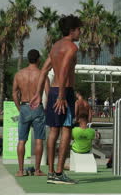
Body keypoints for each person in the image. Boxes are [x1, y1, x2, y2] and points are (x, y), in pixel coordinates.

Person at [31, 15, 82, 184]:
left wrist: (38, 93)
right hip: (64, 92)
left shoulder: (55, 47)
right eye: (79, 29)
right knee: (66, 128)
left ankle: (51, 172)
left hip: (52, 91)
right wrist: (62, 95)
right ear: (72, 30)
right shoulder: (72, 47)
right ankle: (59, 173)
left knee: (53, 131)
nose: (80, 32)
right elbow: (64, 70)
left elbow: (44, 70)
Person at [12, 49, 49, 177]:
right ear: (38, 59)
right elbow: (48, 94)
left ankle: (21, 171)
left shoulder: (19, 74)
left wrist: (19, 108)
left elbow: (14, 93)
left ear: (28, 59)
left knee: (22, 140)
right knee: (39, 139)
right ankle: (38, 170)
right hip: (37, 107)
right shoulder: (42, 74)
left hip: (24, 107)